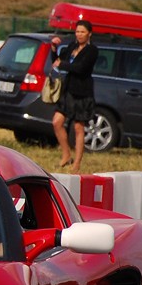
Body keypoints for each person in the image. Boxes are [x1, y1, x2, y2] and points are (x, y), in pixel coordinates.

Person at [50, 20, 98, 173]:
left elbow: (81, 68)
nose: (79, 35)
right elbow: (57, 61)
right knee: (57, 122)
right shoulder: (72, 47)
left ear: (89, 33)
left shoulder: (92, 50)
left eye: (82, 32)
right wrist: (53, 48)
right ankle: (66, 154)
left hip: (82, 92)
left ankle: (77, 163)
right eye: (77, 31)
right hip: (68, 90)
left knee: (78, 128)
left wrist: (62, 65)